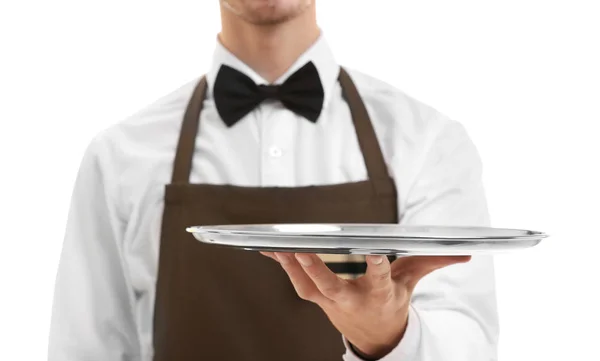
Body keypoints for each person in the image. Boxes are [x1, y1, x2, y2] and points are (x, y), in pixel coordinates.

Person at [48, 1, 499, 360]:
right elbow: (85, 349)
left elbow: (467, 341)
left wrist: (388, 337)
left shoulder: (427, 142)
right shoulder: (120, 155)